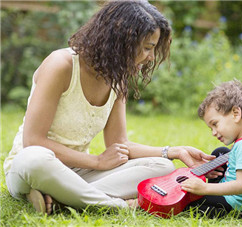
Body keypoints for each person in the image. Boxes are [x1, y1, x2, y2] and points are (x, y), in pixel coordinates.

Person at [3, 0, 214, 215]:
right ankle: (117, 205)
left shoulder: (117, 78)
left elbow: (119, 143)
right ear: (123, 41)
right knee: (34, 158)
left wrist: (173, 151)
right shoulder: (61, 65)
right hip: (34, 168)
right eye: (148, 48)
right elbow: (33, 141)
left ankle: (62, 198)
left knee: (163, 167)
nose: (150, 57)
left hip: (78, 172)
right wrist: (97, 161)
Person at [181, 80, 242, 218]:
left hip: (237, 205)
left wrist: (205, 188)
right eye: (211, 128)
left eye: (215, 124)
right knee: (220, 153)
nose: (214, 133)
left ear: (236, 113)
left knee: (188, 203)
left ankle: (209, 194)